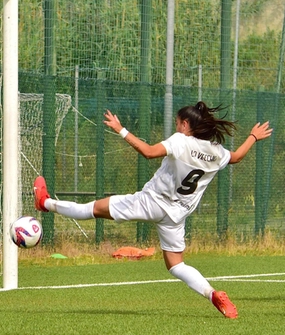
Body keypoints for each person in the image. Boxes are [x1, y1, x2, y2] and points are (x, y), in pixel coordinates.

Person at [33, 101, 272, 319]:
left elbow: (148, 152)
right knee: (176, 265)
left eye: (178, 122)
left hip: (151, 202)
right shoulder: (216, 151)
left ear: (186, 124)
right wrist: (253, 136)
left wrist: (121, 129)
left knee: (91, 209)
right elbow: (237, 156)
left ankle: (44, 203)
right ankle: (212, 294)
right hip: (177, 215)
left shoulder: (181, 141)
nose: (176, 126)